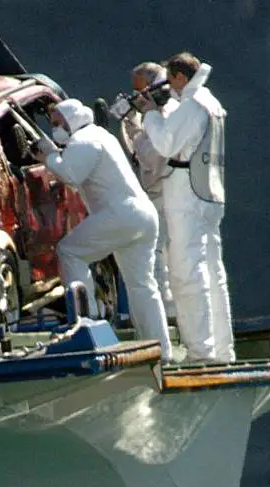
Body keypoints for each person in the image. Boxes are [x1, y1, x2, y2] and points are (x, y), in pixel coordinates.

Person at [34, 98, 172, 361]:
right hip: (142, 216)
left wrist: (49, 155)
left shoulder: (83, 140)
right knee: (142, 286)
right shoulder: (100, 135)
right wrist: (54, 155)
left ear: (71, 120)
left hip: (120, 215)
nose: (55, 129)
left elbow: (71, 175)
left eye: (57, 123)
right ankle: (161, 352)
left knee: (70, 251)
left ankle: (88, 321)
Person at [141, 52, 235, 363]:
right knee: (213, 272)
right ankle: (223, 349)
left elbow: (166, 145)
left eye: (170, 81)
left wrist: (151, 114)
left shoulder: (193, 103)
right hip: (210, 193)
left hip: (187, 194)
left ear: (181, 77)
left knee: (186, 271)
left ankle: (201, 351)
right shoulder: (212, 102)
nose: (169, 88)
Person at [119, 61, 178, 319]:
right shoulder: (172, 108)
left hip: (164, 191)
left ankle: (168, 313)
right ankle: (173, 311)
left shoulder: (164, 113)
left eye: (140, 91)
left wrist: (133, 125)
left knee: (159, 255)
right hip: (171, 190)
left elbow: (150, 158)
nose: (138, 98)